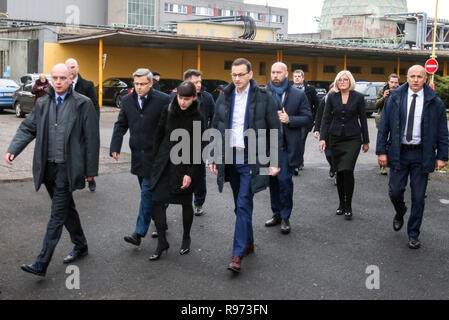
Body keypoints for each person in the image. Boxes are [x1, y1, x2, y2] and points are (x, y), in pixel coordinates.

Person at [5, 63, 100, 277]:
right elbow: (29, 127)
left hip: (68, 167)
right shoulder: (43, 103)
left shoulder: (82, 104)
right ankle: (81, 245)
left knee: (57, 215)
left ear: (70, 79)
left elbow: (92, 139)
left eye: (62, 78)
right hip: (47, 167)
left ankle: (41, 262)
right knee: (67, 209)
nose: (58, 82)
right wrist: (14, 149)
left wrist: (90, 169)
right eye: (54, 78)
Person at [209, 58, 282, 273]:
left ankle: (237, 254)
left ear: (250, 74)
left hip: (251, 158)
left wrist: (275, 161)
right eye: (234, 75)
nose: (237, 79)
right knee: (239, 206)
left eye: (241, 74)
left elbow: (275, 130)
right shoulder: (224, 96)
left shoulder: (264, 97)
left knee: (243, 204)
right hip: (230, 158)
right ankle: (248, 242)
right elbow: (215, 126)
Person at [376, 65, 448, 249]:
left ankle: (413, 233)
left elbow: (442, 132)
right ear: (406, 78)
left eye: (419, 76)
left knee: (418, 197)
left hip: (421, 154)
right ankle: (400, 211)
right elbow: (384, 126)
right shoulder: (395, 98)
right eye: (412, 76)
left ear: (425, 79)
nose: (415, 80)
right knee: (395, 191)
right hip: (399, 152)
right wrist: (382, 151)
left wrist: (442, 156)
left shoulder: (435, 102)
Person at [110, 68, 170, 246]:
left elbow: (171, 126)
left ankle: (138, 232)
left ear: (151, 83)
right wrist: (115, 146)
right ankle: (161, 215)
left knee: (146, 193)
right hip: (138, 156)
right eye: (136, 84)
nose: (139, 87)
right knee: (151, 195)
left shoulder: (163, 100)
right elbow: (121, 124)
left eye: (143, 84)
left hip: (156, 156)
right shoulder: (127, 101)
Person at [149, 81, 205, 260]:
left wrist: (190, 172)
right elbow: (158, 134)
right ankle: (162, 242)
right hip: (164, 162)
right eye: (181, 98)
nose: (182, 102)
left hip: (184, 164)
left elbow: (198, 147)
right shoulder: (168, 110)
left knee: (185, 202)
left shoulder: (198, 117)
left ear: (194, 98)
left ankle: (186, 237)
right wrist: (155, 160)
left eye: (187, 99)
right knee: (157, 200)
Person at [264, 62, 312, 234]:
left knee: (284, 180)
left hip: (286, 146)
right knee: (272, 181)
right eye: (273, 72)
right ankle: (276, 213)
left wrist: (289, 119)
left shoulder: (298, 95)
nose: (275, 75)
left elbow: (308, 118)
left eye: (279, 72)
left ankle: (285, 216)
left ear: (286, 74)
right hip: (268, 146)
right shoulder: (264, 93)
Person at [319, 70, 369, 221]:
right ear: (336, 82)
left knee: (347, 169)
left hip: (353, 139)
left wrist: (365, 140)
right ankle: (341, 203)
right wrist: (322, 138)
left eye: (345, 80)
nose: (342, 82)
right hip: (335, 138)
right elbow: (326, 119)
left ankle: (349, 205)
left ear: (350, 81)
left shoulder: (358, 97)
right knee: (339, 172)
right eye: (339, 80)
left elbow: (364, 120)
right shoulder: (332, 97)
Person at [171, 69, 215, 216]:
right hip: (179, 142)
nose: (199, 85)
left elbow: (214, 118)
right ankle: (167, 203)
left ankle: (198, 202)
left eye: (200, 82)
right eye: (195, 82)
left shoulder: (207, 98)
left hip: (200, 142)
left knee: (199, 174)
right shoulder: (175, 97)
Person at [65, 58, 100, 192]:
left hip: (85, 125)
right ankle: (71, 179)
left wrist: (94, 123)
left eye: (73, 67)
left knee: (87, 152)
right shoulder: (63, 84)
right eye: (68, 67)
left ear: (78, 68)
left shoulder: (87, 85)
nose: (71, 70)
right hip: (69, 126)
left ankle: (90, 177)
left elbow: (95, 106)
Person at [292, 69, 319, 175]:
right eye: (295, 76)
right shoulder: (289, 89)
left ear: (303, 78)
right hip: (292, 120)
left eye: (299, 76)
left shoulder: (310, 89)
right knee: (293, 141)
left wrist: (314, 119)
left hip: (305, 121)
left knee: (300, 141)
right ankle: (297, 161)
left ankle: (297, 163)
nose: (297, 78)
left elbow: (317, 104)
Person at [375, 73, 400, 176]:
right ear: (388, 82)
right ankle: (382, 166)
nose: (393, 85)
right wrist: (384, 97)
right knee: (383, 142)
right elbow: (376, 105)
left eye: (396, 83)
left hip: (396, 120)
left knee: (395, 142)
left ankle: (395, 163)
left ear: (398, 83)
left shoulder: (401, 92)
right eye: (392, 82)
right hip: (383, 120)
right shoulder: (382, 91)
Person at [313, 83, 336, 184]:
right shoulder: (325, 100)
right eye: (332, 89)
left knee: (338, 154)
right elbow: (319, 116)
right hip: (326, 131)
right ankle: (333, 166)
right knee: (329, 154)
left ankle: (337, 171)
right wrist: (316, 129)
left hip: (338, 132)